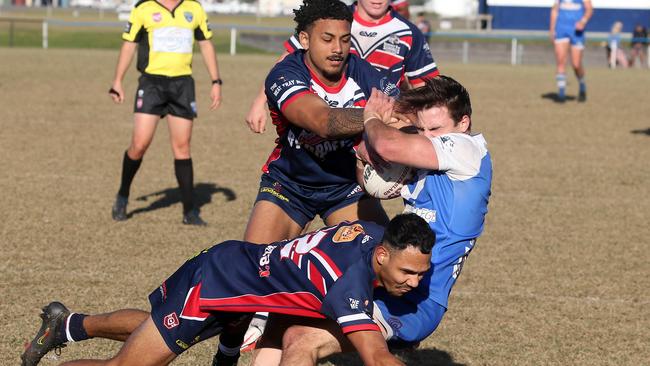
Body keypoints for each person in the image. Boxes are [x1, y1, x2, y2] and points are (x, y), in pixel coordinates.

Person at [255, 75, 492, 365]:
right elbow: (371, 180)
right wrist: (363, 155)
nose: (427, 137)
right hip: (382, 276)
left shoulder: (467, 151)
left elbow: (389, 146)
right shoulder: (433, 162)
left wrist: (372, 118)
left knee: (302, 339)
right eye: (422, 129)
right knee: (287, 313)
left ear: (463, 124)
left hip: (412, 297)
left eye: (436, 129)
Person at [21, 214, 435, 366]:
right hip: (216, 285)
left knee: (156, 330)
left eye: (421, 274)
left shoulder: (376, 233)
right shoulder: (347, 286)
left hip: (236, 272)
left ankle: (67, 325)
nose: (414, 283)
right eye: (407, 272)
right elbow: (377, 358)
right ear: (381, 255)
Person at [246, 0, 439, 134]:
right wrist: (259, 102)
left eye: (345, 40)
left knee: (369, 184)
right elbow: (286, 63)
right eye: (329, 39)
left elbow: (423, 85)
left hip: (382, 121)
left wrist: (426, 121)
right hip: (329, 113)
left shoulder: (409, 32)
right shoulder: (333, 17)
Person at [109, 0, 223, 225]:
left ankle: (190, 212)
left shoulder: (194, 8)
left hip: (182, 86)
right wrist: (117, 80)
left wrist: (216, 81)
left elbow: (206, 44)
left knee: (182, 147)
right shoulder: (143, 8)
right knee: (139, 144)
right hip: (151, 84)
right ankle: (123, 194)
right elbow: (129, 45)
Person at [549, 0, 593, 102]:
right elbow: (555, 10)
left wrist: (583, 21)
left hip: (576, 31)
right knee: (560, 60)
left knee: (576, 64)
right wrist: (552, 29)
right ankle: (561, 94)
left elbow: (589, 9)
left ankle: (582, 85)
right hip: (561, 28)